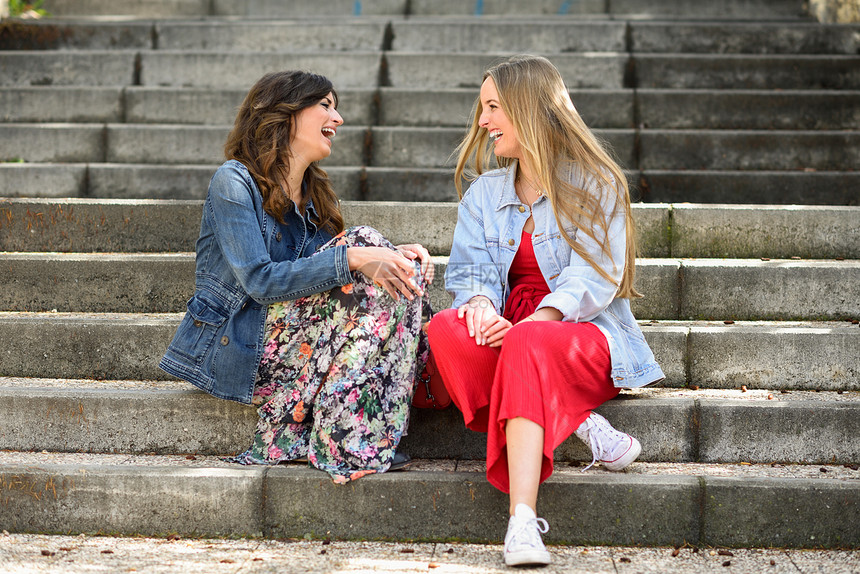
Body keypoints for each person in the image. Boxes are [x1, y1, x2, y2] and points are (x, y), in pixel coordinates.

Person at [426, 55, 664, 567]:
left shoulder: (596, 182)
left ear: (529, 109)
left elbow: (594, 277)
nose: (483, 121)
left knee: (527, 342)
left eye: (493, 107)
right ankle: (579, 420)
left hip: (581, 330)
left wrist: (538, 321)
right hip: (512, 329)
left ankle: (522, 523)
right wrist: (484, 309)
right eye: (482, 108)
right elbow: (470, 274)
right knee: (447, 329)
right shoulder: (484, 195)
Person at [159, 70, 434, 485]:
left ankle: (348, 432)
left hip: (295, 343)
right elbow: (261, 281)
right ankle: (344, 436)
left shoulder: (316, 193)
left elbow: (327, 283)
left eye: (335, 107)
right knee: (362, 242)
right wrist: (360, 254)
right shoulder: (233, 181)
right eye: (325, 105)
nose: (338, 118)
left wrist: (394, 256)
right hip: (239, 346)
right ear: (284, 114)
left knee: (386, 261)